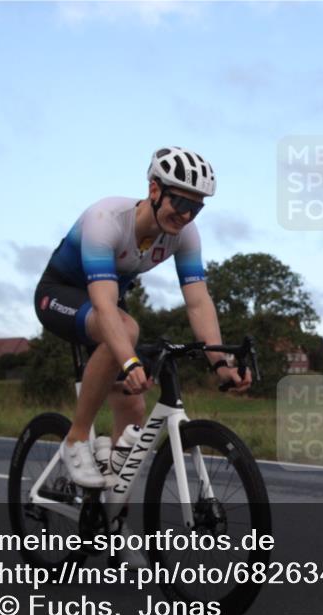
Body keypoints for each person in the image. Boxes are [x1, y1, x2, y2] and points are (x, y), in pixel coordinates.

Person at [34, 147, 251, 489]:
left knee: (134, 406)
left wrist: (220, 362)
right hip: (59, 294)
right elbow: (104, 306)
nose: (186, 215)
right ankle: (76, 438)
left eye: (196, 208)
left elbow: (198, 302)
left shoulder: (185, 234)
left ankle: (109, 502)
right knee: (126, 329)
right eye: (180, 202)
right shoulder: (106, 219)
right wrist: (129, 360)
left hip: (108, 304)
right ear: (154, 190)